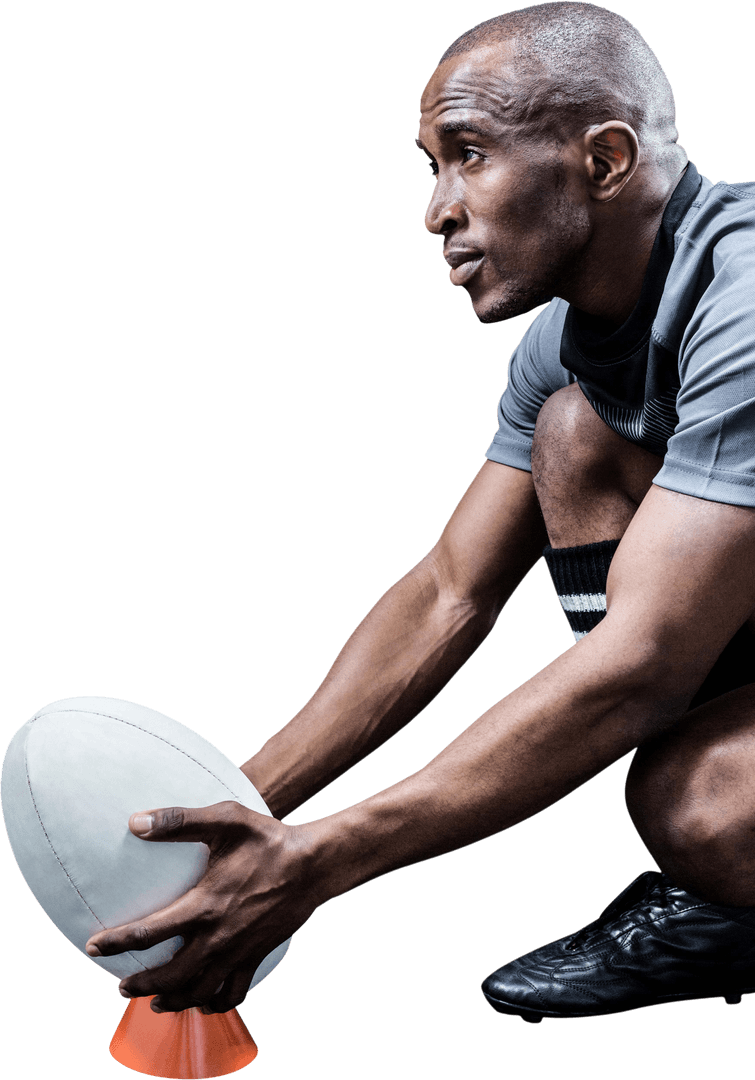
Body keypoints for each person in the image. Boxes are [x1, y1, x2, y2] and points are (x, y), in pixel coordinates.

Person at [85, 2, 755, 1024]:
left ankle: (732, 897)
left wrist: (317, 863)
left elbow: (642, 664)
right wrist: (236, 813)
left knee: (693, 808)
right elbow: (449, 592)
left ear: (605, 161)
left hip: (667, 672)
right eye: (432, 166)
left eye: (469, 155)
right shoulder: (566, 345)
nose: (437, 210)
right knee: (573, 435)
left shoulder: (744, 297)